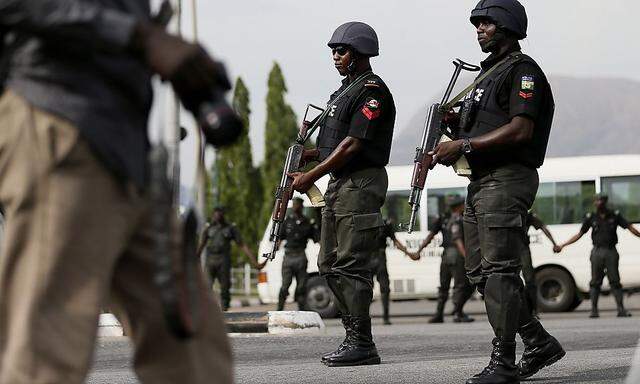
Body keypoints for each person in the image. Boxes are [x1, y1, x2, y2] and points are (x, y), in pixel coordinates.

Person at [0, 1, 234, 383]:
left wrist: (182, 68)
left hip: (125, 147)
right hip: (60, 125)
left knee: (192, 341)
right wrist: (141, 37)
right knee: (46, 356)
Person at [430, 1, 565, 382]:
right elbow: (480, 132)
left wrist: (464, 146)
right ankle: (538, 341)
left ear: (507, 25)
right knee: (479, 273)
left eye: (486, 22)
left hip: (507, 179)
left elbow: (520, 130)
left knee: (501, 272)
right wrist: (456, 128)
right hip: (481, 183)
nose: (479, 29)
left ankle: (503, 362)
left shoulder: (523, 72)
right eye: (477, 23)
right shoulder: (486, 77)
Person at [289, 21, 395, 367]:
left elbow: (352, 145)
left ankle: (361, 342)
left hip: (360, 182)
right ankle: (355, 336)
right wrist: (311, 155)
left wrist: (311, 175)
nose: (335, 56)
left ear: (361, 53)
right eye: (333, 51)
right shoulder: (343, 92)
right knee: (328, 263)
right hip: (340, 183)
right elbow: (335, 145)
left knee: (351, 264)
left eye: (342, 50)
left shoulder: (372, 91)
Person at [556, 193, 640, 318]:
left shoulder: (614, 215)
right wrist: (563, 245)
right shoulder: (591, 217)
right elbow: (580, 234)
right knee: (595, 282)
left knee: (615, 281)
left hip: (611, 251)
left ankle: (621, 309)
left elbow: (629, 227)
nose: (598, 203)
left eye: (600, 200)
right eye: (596, 201)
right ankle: (594, 310)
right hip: (597, 252)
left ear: (605, 202)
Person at [413, 195, 475, 324]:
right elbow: (457, 239)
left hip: (446, 255)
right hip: (457, 254)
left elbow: (430, 235)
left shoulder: (443, 218)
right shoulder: (461, 218)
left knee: (444, 286)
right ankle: (458, 313)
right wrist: (466, 257)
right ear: (459, 206)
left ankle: (439, 314)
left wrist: (419, 250)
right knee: (461, 285)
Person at [197, 206, 264, 311]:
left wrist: (254, 262)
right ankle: (206, 310)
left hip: (223, 260)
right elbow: (201, 245)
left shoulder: (230, 228)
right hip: (211, 260)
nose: (217, 215)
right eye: (215, 213)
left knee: (225, 287)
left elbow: (242, 245)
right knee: (207, 286)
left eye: (220, 213)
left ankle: (225, 310)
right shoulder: (208, 228)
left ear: (223, 214)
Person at [276, 197, 318, 311]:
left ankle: (302, 311)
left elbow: (316, 239)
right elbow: (279, 238)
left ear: (301, 206)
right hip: (288, 256)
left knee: (301, 287)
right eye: (294, 204)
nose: (295, 206)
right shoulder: (287, 222)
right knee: (285, 286)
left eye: (297, 204)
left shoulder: (308, 223)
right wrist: (275, 248)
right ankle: (279, 310)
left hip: (300, 256)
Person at [373, 218, 412, 325]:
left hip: (379, 258)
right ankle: (362, 319)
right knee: (365, 289)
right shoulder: (363, 219)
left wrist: (408, 253)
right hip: (367, 258)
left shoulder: (385, 223)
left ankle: (386, 317)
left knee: (385, 288)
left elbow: (395, 241)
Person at [521, 211, 559, 316]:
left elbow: (543, 227)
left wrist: (554, 243)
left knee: (530, 280)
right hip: (508, 248)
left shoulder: (526, 214)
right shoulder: (508, 211)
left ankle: (533, 310)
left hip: (522, 248)